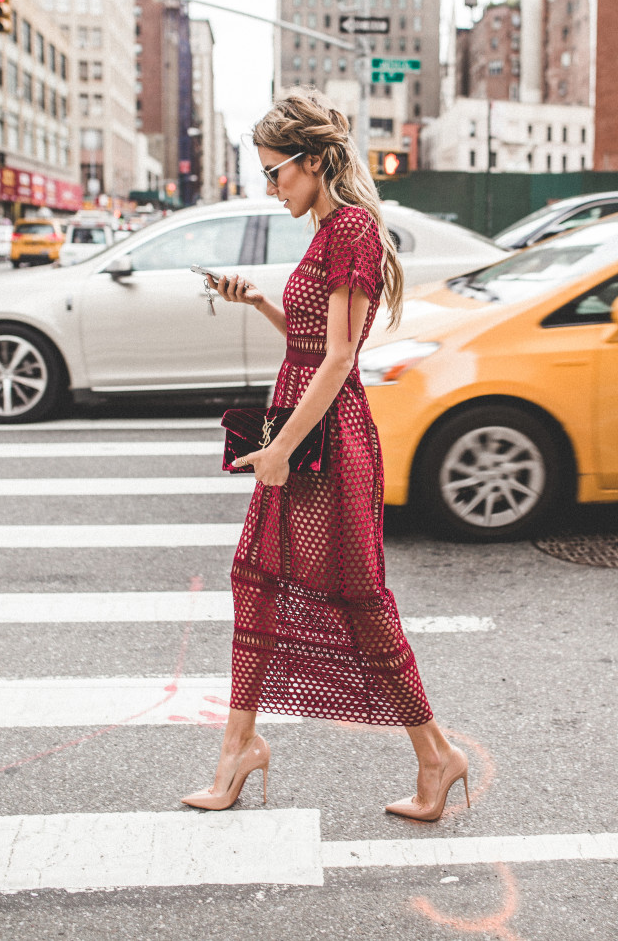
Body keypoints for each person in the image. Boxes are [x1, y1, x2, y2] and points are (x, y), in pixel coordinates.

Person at [181, 91, 469, 822]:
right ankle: (239, 750)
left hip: (327, 441)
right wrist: (259, 304)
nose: (271, 188)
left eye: (275, 173)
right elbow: (310, 344)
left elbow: (342, 358)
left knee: (358, 598)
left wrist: (279, 447)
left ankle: (436, 755)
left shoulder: (351, 232)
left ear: (313, 163)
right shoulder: (324, 230)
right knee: (256, 578)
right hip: (308, 431)